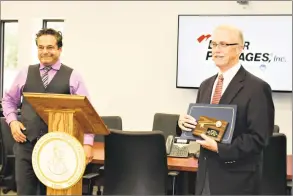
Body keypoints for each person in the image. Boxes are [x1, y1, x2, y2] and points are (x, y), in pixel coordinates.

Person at [177, 25, 275, 195]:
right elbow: (203, 128)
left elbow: (259, 138)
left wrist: (220, 148)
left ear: (239, 49)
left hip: (237, 181)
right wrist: (183, 125)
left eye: (223, 44)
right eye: (213, 44)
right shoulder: (206, 85)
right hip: (205, 177)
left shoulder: (257, 88)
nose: (216, 50)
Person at [1, 28, 95, 195]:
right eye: (41, 47)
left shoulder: (73, 76)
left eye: (50, 47)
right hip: (26, 146)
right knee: (25, 192)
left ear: (59, 49)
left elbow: (86, 113)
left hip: (59, 148)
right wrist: (13, 121)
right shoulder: (24, 73)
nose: (45, 52)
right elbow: (8, 100)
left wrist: (87, 144)